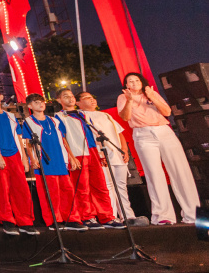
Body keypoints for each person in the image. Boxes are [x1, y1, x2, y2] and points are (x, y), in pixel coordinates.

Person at [117, 72, 199, 225]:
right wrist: (129, 101)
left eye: (136, 80)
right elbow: (125, 117)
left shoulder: (151, 94)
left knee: (180, 170)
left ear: (142, 82)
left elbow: (167, 112)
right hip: (143, 135)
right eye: (130, 81)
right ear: (126, 85)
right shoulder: (123, 97)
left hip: (164, 131)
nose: (134, 83)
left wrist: (152, 96)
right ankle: (163, 215)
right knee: (154, 174)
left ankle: (193, 214)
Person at [55, 88, 121, 229]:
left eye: (71, 96)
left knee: (100, 185)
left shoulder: (83, 114)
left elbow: (92, 134)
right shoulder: (58, 117)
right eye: (65, 96)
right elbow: (63, 138)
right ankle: (87, 216)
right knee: (82, 187)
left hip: (92, 151)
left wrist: (100, 153)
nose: (70, 98)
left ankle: (106, 216)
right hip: (77, 152)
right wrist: (71, 157)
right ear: (59, 101)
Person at [20, 94, 84, 231]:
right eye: (36, 102)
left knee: (67, 190)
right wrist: (33, 158)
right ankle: (54, 220)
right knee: (50, 192)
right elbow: (27, 142)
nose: (40, 104)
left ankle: (72, 219)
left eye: (42, 102)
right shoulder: (28, 122)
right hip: (44, 160)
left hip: (60, 159)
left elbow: (64, 140)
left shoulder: (54, 120)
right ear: (30, 106)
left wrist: (71, 157)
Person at [0, 87, 35, 236]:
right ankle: (7, 220)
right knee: (2, 189)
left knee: (21, 187)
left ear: (1, 96)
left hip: (15, 154)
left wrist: (24, 157)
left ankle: (25, 221)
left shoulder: (11, 116)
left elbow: (19, 136)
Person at [76, 91, 136, 222]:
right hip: (101, 155)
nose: (92, 100)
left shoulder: (106, 115)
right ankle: (111, 216)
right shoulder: (81, 116)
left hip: (116, 153)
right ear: (78, 103)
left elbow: (119, 132)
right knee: (107, 186)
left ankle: (128, 216)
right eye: (86, 98)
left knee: (121, 186)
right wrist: (98, 153)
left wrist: (124, 150)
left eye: (92, 98)